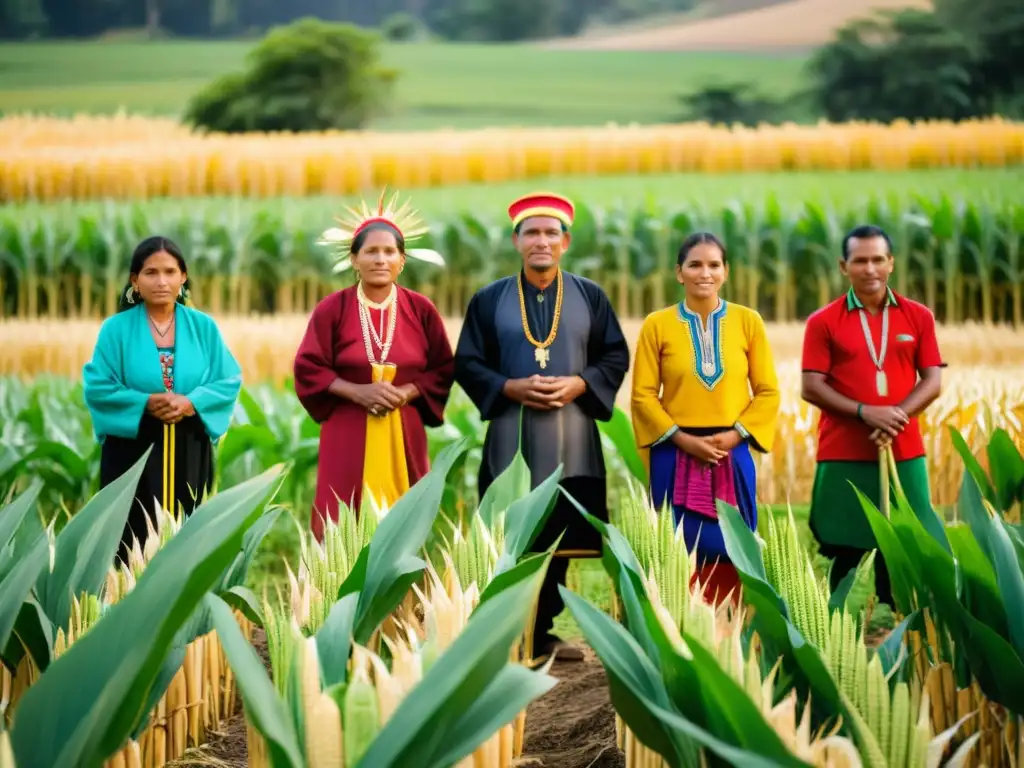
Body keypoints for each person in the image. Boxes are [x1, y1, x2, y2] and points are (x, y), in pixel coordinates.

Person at [454, 191, 630, 664]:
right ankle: (507, 632)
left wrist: (579, 383)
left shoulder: (590, 295)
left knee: (560, 540)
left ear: (566, 241)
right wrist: (510, 387)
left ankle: (543, 632)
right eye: (531, 232)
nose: (541, 241)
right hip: (512, 438)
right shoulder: (488, 300)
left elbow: (615, 355)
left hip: (572, 439)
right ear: (516, 241)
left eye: (551, 233)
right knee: (510, 535)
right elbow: (467, 363)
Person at [293, 191, 455, 540]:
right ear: (354, 259)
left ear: (402, 260)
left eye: (389, 252)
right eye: (370, 251)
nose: (380, 259)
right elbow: (308, 367)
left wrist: (407, 392)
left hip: (404, 429)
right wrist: (357, 392)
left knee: (405, 526)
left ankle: (405, 593)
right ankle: (340, 591)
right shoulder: (332, 309)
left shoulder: (421, 309)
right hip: (347, 428)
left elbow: (442, 367)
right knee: (342, 526)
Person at [631, 232, 780, 606]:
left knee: (735, 543)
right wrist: (682, 439)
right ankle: (679, 627)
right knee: (676, 547)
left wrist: (734, 436)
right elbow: (643, 395)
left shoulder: (749, 322)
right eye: (695, 264)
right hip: (674, 452)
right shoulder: (657, 325)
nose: (705, 273)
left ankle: (736, 629)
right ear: (678, 273)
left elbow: (767, 392)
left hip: (732, 451)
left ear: (726, 271)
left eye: (714, 265)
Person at [801, 224, 946, 606]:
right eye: (860, 260)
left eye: (878, 259)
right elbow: (811, 387)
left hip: (903, 451)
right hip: (843, 453)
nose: (870, 269)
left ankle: (901, 627)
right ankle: (837, 632)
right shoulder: (823, 321)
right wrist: (866, 413)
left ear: (891, 263)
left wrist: (894, 417)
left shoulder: (919, 317)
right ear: (843, 266)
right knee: (841, 549)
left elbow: (932, 381)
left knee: (904, 547)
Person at [83, 236, 242, 565]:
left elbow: (228, 379)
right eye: (151, 272)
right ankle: (127, 606)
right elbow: (97, 386)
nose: (161, 281)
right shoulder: (116, 330)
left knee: (184, 534)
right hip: (132, 452)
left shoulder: (203, 327)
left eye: (170, 271)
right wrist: (143, 402)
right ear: (134, 281)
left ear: (183, 277)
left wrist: (192, 401)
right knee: (131, 540)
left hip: (189, 446)